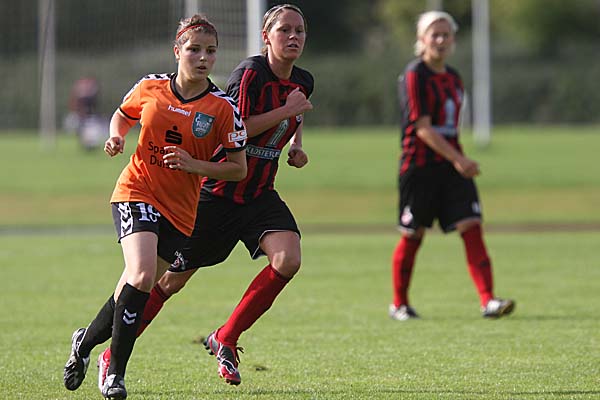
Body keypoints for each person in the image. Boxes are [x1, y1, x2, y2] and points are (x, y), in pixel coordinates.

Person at [96, 3, 313, 388]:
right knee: (168, 282)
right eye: (285, 30)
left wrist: (296, 144)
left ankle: (226, 337)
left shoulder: (304, 81)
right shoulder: (249, 74)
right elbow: (239, 128)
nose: (293, 37)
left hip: (259, 192)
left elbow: (296, 114)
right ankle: (112, 354)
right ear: (266, 37)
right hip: (217, 193)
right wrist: (285, 112)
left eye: (299, 30)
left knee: (289, 258)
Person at [63, 14, 247, 399]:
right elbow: (122, 115)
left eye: (210, 51)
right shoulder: (151, 86)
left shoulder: (222, 107)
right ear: (177, 50)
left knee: (133, 288)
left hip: (181, 212)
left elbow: (238, 168)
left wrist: (195, 165)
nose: (203, 58)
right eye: (194, 49)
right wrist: (116, 137)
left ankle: (84, 342)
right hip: (137, 189)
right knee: (143, 275)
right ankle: (115, 374)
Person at [390, 11, 515, 321]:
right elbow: (422, 128)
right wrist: (459, 158)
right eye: (435, 34)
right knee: (414, 234)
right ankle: (399, 304)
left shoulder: (454, 77)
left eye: (446, 34)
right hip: (420, 167)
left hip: (451, 166)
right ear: (421, 39)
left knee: (472, 225)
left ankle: (488, 300)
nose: (441, 40)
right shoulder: (414, 74)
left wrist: (457, 159)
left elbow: (450, 127)